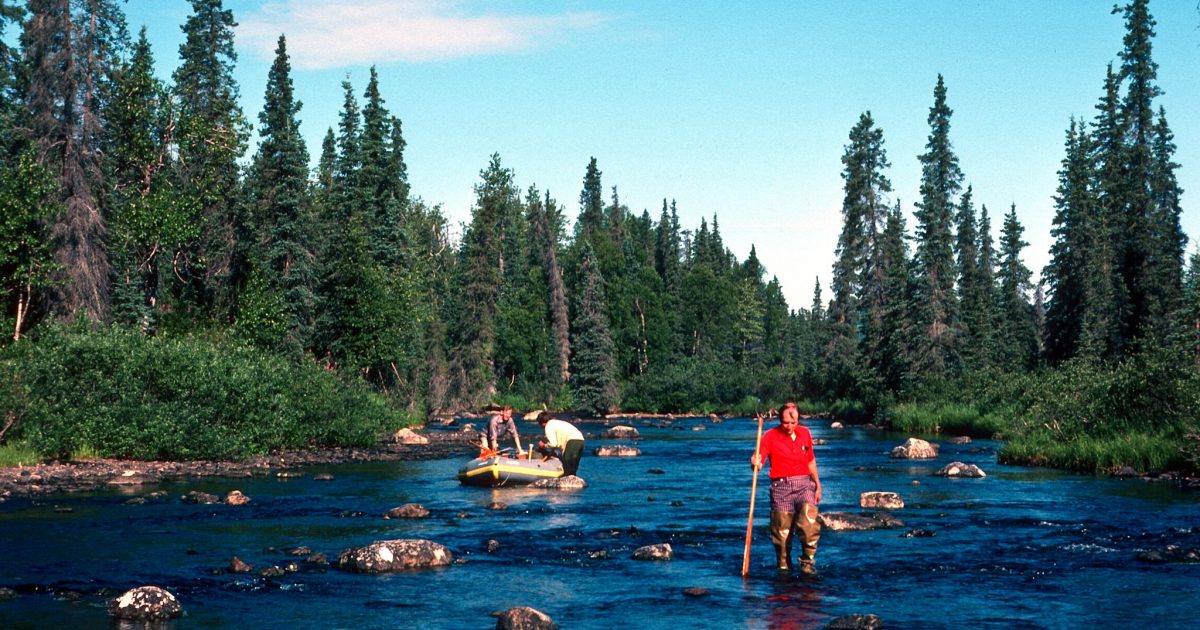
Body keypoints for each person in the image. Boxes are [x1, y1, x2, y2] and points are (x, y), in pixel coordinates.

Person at [751, 401, 822, 575]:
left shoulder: (805, 433)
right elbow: (759, 459)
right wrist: (756, 463)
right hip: (780, 488)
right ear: (779, 420)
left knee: (809, 524)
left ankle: (807, 563)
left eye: (793, 422)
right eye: (785, 423)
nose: (789, 426)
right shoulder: (769, 436)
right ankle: (784, 569)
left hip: (805, 485)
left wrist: (818, 486)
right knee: (782, 536)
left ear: (798, 420)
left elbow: (811, 461)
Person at [536, 411, 585, 476]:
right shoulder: (556, 422)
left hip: (572, 441)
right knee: (573, 467)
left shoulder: (548, 426)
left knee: (567, 465)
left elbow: (554, 444)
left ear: (542, 423)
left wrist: (544, 445)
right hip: (581, 440)